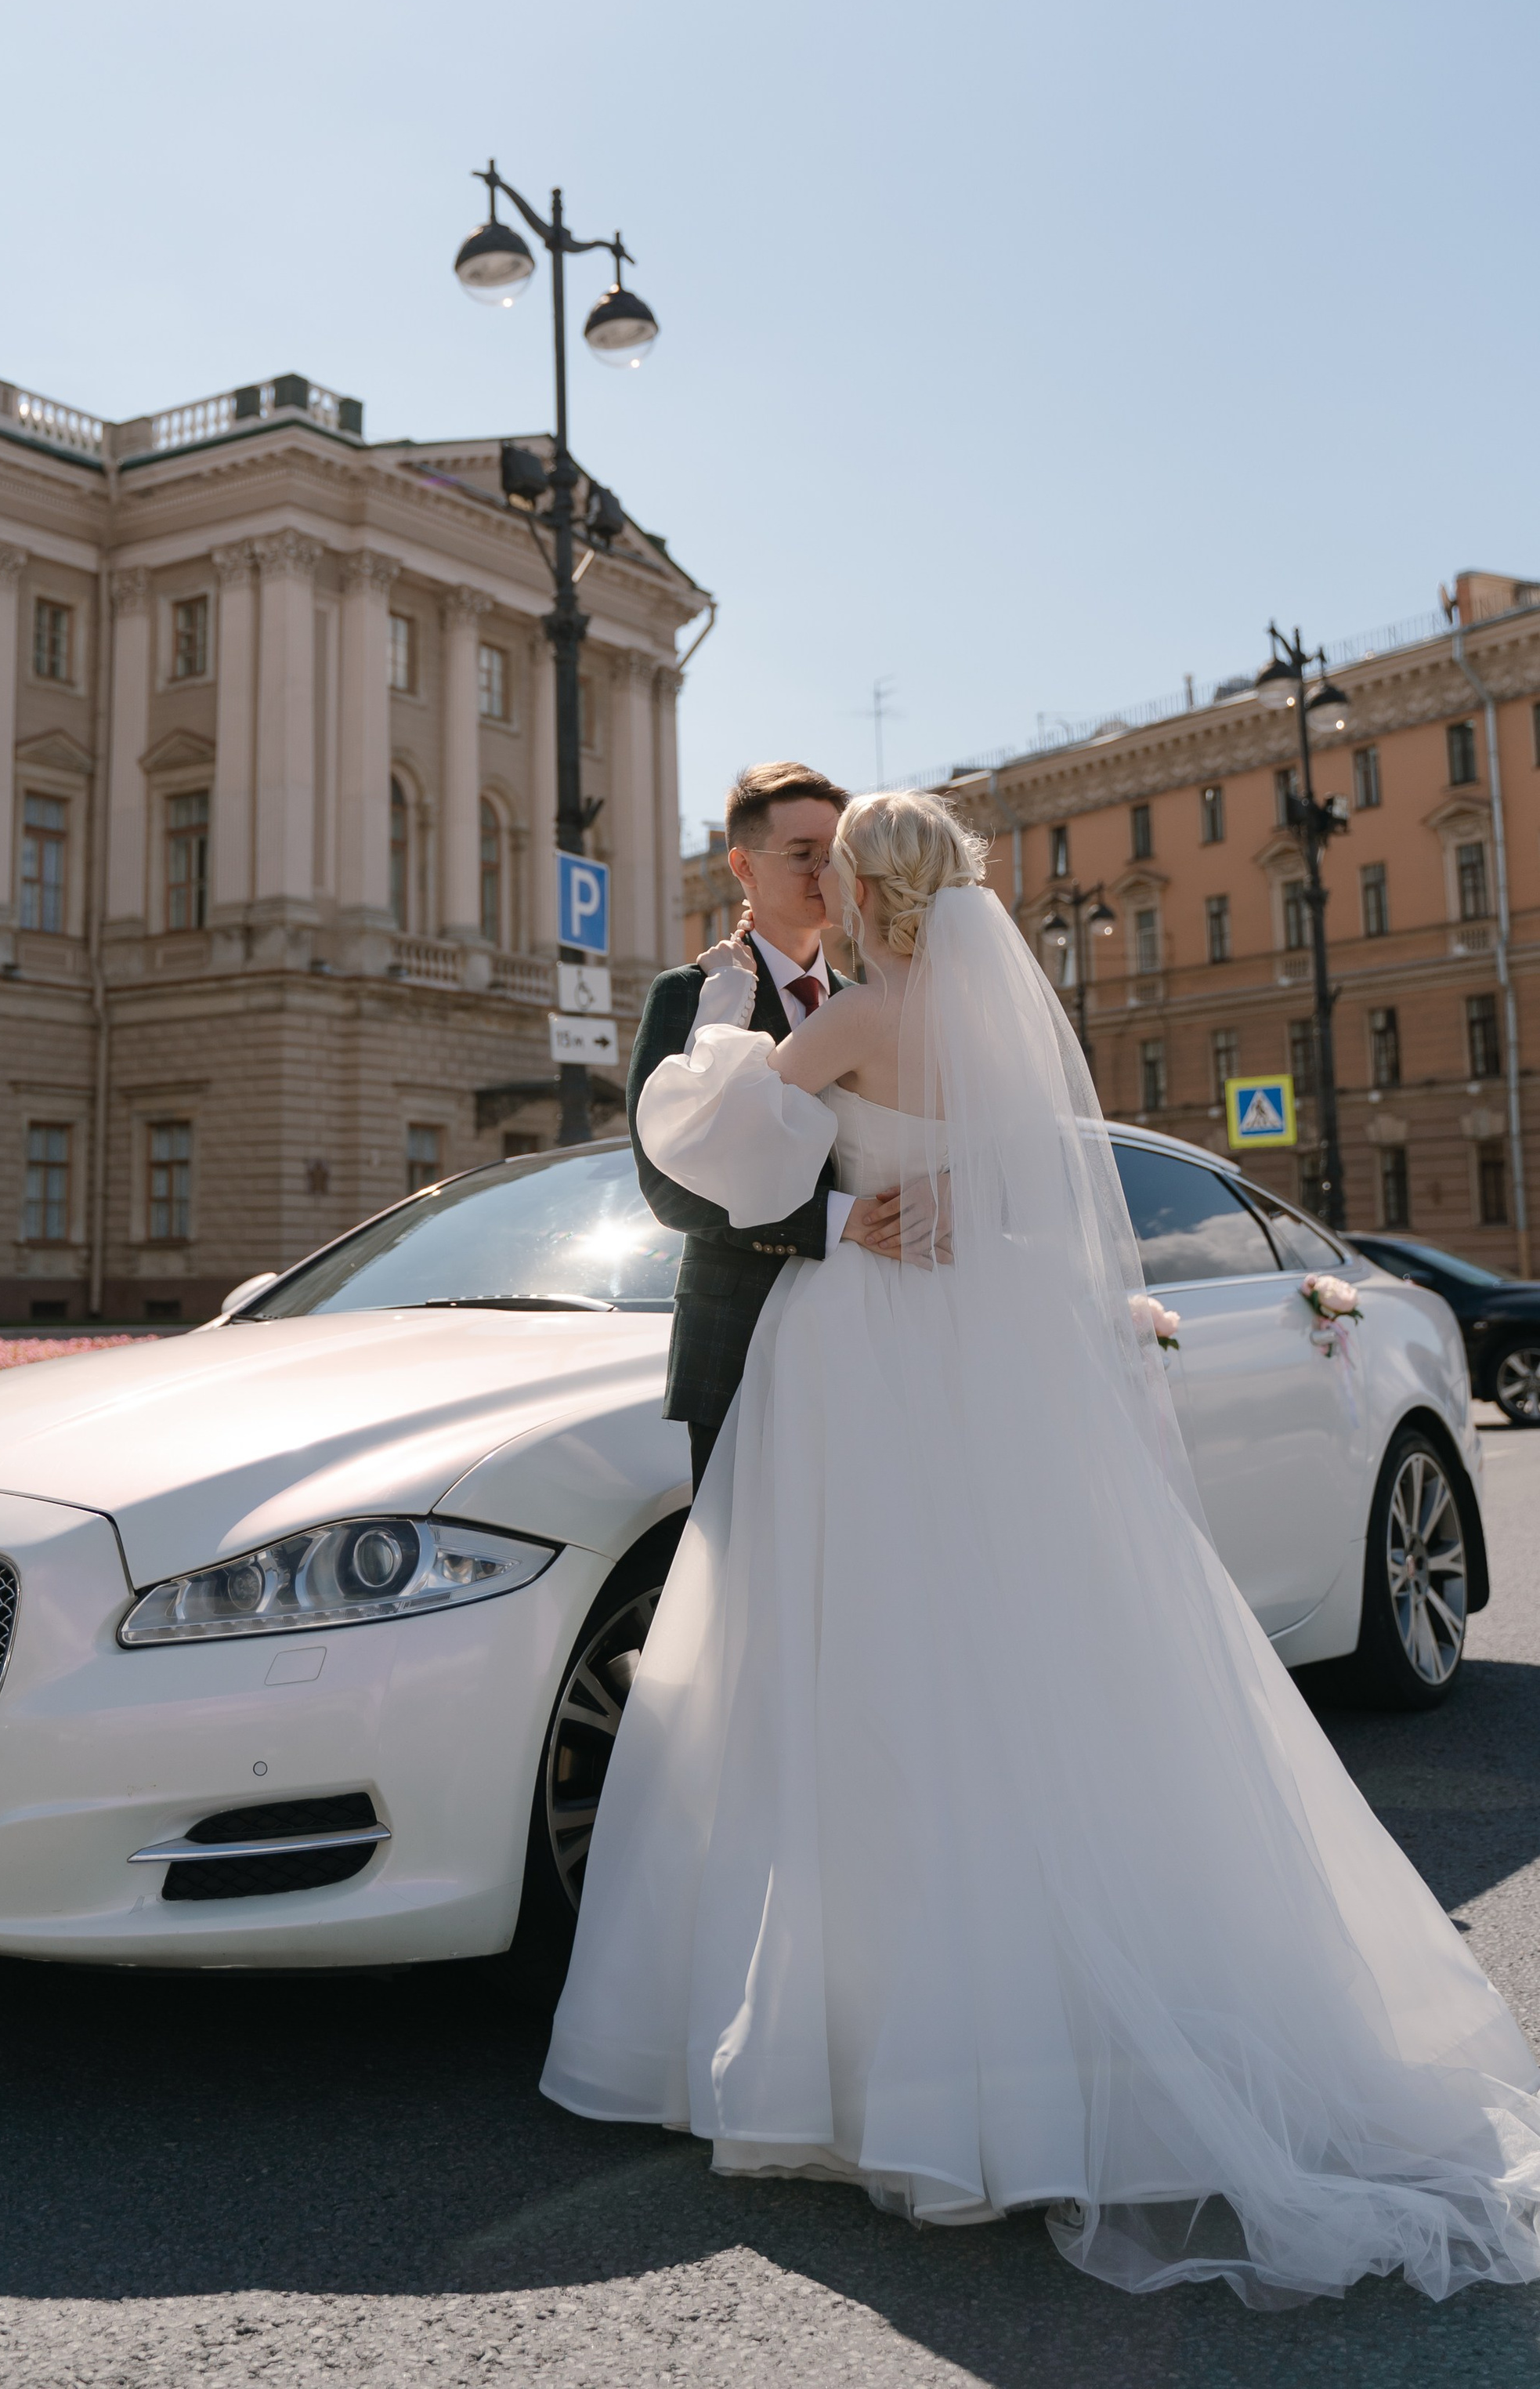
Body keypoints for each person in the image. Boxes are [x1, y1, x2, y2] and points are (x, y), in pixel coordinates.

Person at [546, 788, 1540, 2307]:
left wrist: (734, 1047)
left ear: (868, 892)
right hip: (987, 1359)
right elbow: (1021, 1199)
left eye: (838, 864)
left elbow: (697, 1138)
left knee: (846, 1673)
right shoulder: (996, 1032)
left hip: (859, 1371)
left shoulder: (857, 1016)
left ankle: (865, 2042)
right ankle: (1049, 2034)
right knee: (1016, 1664)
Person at [626, 762, 910, 1496]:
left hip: (864, 1337)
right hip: (740, 1339)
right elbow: (671, 1191)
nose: (825, 869)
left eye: (835, 851)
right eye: (802, 852)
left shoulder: (866, 1006)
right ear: (743, 867)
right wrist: (838, 1221)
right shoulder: (692, 997)